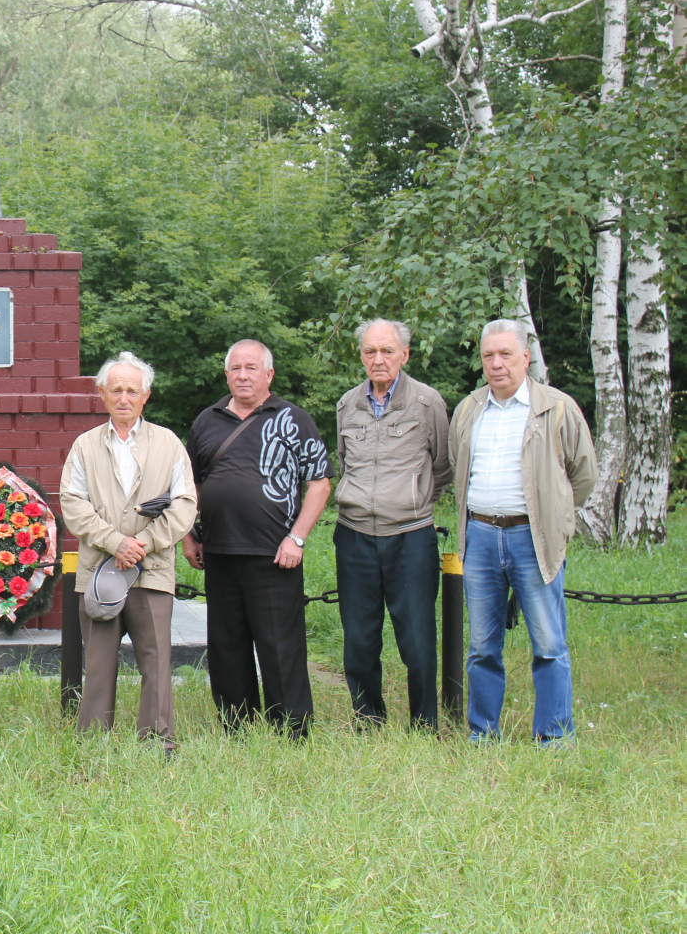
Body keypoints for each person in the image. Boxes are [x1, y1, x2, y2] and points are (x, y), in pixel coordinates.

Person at [449, 319, 596, 745]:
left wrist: (557, 518)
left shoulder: (556, 407)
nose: (497, 364)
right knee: (481, 646)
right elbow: (459, 468)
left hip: (533, 539)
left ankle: (553, 737)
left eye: (506, 354)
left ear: (525, 357)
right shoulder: (470, 409)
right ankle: (482, 734)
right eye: (488, 356)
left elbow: (582, 476)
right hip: (479, 538)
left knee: (549, 643)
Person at [184, 339, 331, 740]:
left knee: (280, 647)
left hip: (275, 554)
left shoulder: (294, 418)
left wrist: (296, 539)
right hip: (218, 551)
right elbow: (190, 485)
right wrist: (188, 534)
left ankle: (292, 731)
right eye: (236, 368)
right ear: (226, 373)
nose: (243, 375)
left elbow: (319, 484)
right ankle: (237, 727)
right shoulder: (207, 421)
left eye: (252, 368)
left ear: (269, 374)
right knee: (227, 646)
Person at [60, 351, 197, 753]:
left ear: (146, 396)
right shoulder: (84, 446)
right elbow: (73, 504)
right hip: (99, 571)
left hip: (151, 571)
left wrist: (143, 544)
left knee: (156, 658)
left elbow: (185, 504)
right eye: (115, 389)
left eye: (132, 390)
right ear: (101, 394)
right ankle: (93, 743)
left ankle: (158, 742)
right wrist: (116, 542)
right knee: (99, 662)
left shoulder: (169, 444)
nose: (124, 397)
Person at [332, 319, 452, 730]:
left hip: (410, 536)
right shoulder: (348, 405)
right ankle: (368, 719)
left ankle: (424, 722)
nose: (378, 359)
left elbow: (443, 467)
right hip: (354, 535)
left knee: (417, 640)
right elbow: (345, 463)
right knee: (360, 639)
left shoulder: (427, 402)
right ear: (361, 356)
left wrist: (412, 502)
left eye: (386, 351)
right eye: (370, 351)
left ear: (404, 354)